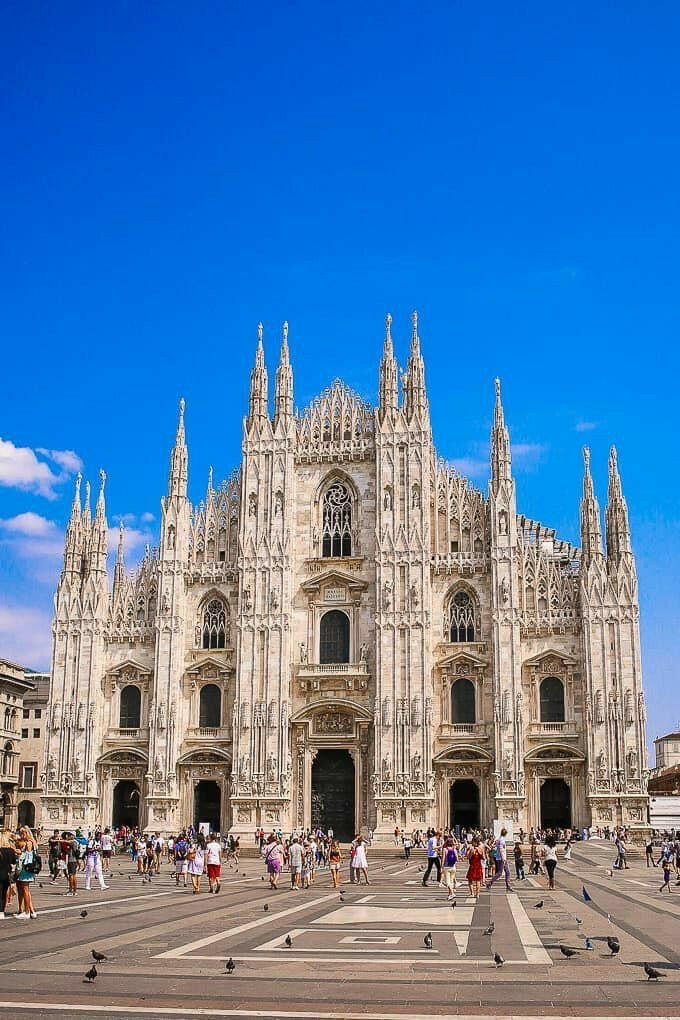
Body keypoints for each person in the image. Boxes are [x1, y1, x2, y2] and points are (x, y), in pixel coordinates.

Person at [14, 826, 38, 919]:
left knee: (25, 890)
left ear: (26, 833)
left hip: (25, 869)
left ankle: (27, 912)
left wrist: (19, 852)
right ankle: (31, 911)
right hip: (25, 869)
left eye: (22, 833)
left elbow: (28, 856)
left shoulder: (28, 843)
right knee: (24, 890)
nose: (20, 835)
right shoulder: (30, 842)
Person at [0, 830, 18, 918]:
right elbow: (14, 862)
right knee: (4, 893)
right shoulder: (10, 851)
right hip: (6, 874)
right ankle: (1, 912)